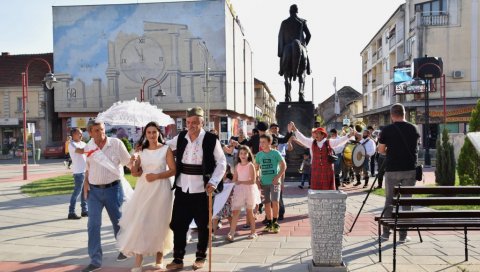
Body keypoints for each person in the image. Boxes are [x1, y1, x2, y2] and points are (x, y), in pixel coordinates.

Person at [165, 106, 227, 270]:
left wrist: (213, 182)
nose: (190, 125)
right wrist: (146, 149)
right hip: (182, 189)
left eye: (194, 122)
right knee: (178, 225)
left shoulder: (211, 139)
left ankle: (200, 257)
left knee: (203, 225)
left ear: (202, 122)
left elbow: (222, 162)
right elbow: (164, 148)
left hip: (203, 190)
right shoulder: (180, 138)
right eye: (188, 122)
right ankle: (178, 259)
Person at [117, 122, 175, 272]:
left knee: (160, 221)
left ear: (159, 133)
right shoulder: (141, 151)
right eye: (148, 132)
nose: (151, 135)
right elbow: (135, 173)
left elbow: (173, 171)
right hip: (144, 188)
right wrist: (134, 160)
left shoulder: (166, 149)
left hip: (161, 188)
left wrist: (157, 176)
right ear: (145, 134)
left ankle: (159, 258)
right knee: (141, 222)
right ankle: (138, 260)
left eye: (154, 132)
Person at [81, 121, 132, 272]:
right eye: (96, 130)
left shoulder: (116, 143)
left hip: (113, 189)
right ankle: (95, 260)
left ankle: (124, 248)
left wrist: (138, 161)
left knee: (118, 222)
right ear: (90, 133)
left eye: (102, 129)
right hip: (94, 192)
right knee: (93, 225)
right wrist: (86, 187)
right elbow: (88, 169)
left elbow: (129, 163)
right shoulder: (88, 147)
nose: (101, 133)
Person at [378, 103, 420, 243]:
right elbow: (416, 148)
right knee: (406, 202)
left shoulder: (387, 130)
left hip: (392, 170)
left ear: (391, 115)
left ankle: (385, 233)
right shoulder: (414, 128)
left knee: (389, 200)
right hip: (409, 169)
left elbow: (381, 150)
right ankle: (403, 235)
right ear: (404, 114)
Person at [289, 122, 354, 190]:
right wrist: (295, 129)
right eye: (315, 133)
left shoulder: (329, 142)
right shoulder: (312, 143)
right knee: (316, 190)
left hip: (327, 170)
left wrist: (348, 136)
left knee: (327, 190)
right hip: (316, 170)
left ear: (323, 135)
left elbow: (339, 141)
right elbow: (303, 139)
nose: (316, 135)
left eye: (318, 133)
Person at [255, 134, 286, 233]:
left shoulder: (276, 153)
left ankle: (275, 222)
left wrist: (277, 178)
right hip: (264, 183)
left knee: (275, 202)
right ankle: (269, 223)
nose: (261, 144)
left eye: (264, 142)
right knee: (267, 204)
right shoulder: (259, 155)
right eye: (260, 142)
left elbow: (283, 166)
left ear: (269, 142)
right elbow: (256, 169)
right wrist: (257, 180)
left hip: (275, 183)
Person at [228, 145, 258, 241]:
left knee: (249, 211)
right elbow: (234, 179)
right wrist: (228, 186)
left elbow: (253, 181)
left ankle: (253, 232)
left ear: (249, 154)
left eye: (245, 153)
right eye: (241, 153)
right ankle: (231, 233)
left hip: (249, 190)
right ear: (238, 155)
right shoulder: (237, 166)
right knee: (236, 211)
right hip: (239, 190)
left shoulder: (250, 165)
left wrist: (241, 182)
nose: (243, 155)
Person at [67, 128, 88, 220]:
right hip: (78, 172)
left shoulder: (83, 143)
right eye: (79, 133)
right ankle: (71, 212)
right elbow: (81, 151)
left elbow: (88, 153)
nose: (81, 135)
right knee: (77, 192)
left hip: (85, 171)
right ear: (74, 134)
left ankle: (84, 210)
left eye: (81, 133)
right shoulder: (71, 144)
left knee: (85, 192)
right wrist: (91, 148)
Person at [212, 165, 234, 241]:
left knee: (230, 217)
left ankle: (232, 232)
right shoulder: (216, 181)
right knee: (215, 218)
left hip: (227, 203)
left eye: (224, 171)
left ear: (227, 172)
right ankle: (213, 234)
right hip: (218, 202)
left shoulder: (230, 181)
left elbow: (232, 191)